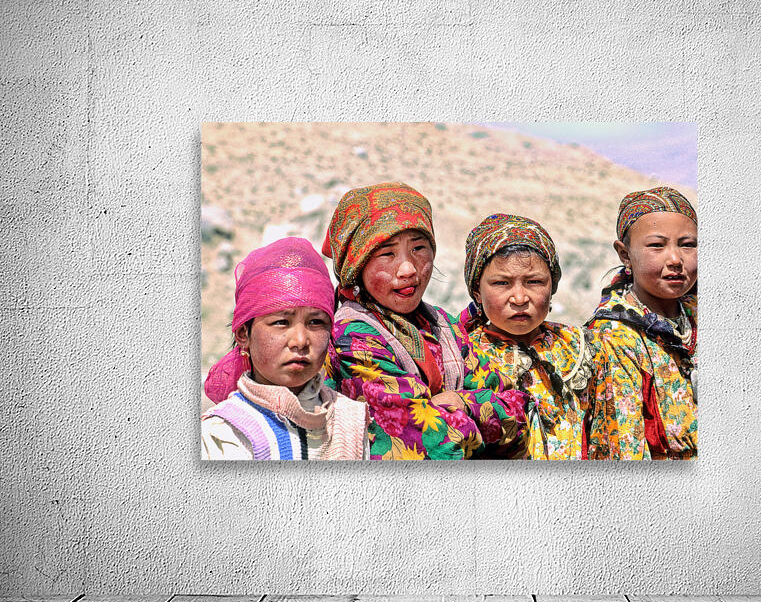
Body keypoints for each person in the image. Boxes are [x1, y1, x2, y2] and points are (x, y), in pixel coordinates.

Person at [322, 182, 527, 460]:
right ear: (357, 264)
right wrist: (482, 413)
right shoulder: (352, 337)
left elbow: (519, 410)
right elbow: (433, 443)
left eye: (419, 248)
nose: (408, 269)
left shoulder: (443, 325)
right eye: (387, 254)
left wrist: (462, 404)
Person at [202, 237, 368, 460]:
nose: (300, 340)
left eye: (316, 322)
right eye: (281, 322)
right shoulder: (223, 433)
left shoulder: (351, 419)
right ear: (244, 334)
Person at [460, 213, 610, 460]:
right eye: (501, 283)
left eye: (534, 282)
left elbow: (607, 431)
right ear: (477, 290)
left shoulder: (583, 347)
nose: (519, 298)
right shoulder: (464, 355)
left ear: (553, 286)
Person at [586, 187, 698, 460]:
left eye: (688, 244)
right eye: (657, 246)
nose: (675, 259)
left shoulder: (699, 314)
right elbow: (624, 446)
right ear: (625, 255)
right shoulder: (614, 336)